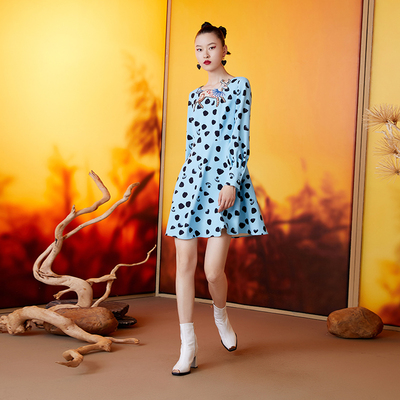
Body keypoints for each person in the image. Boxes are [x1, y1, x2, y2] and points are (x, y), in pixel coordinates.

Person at [165, 22, 267, 376]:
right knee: (183, 264)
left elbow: (241, 137)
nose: (205, 54)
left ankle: (220, 314)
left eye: (211, 47)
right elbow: (191, 144)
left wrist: (231, 182)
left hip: (223, 183)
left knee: (212, 272)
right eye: (199, 49)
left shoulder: (240, 86)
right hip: (190, 182)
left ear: (224, 49)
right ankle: (188, 347)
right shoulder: (193, 95)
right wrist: (186, 182)